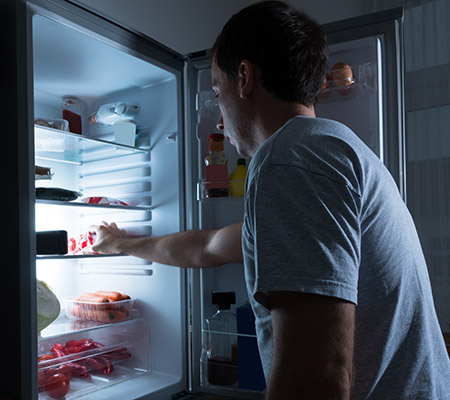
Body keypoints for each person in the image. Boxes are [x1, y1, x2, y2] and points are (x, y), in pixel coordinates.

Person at [89, 1, 450, 399]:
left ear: (244, 78)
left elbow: (317, 379)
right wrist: (119, 243)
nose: (220, 120)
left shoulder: (292, 158)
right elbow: (207, 247)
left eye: (216, 90)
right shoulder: (329, 149)